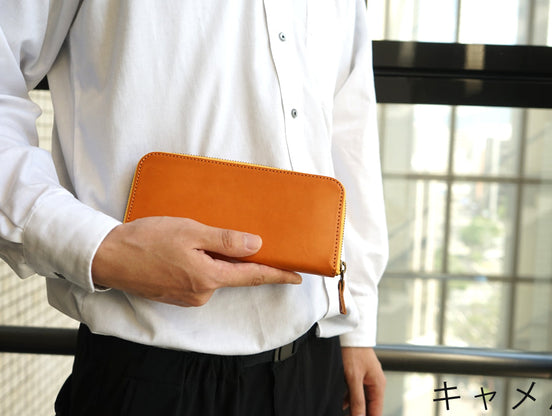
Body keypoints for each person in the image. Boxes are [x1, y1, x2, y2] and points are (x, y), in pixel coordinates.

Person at [0, 1, 389, 415]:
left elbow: (349, 129)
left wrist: (356, 327)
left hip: (315, 365)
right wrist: (100, 249)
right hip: (147, 375)